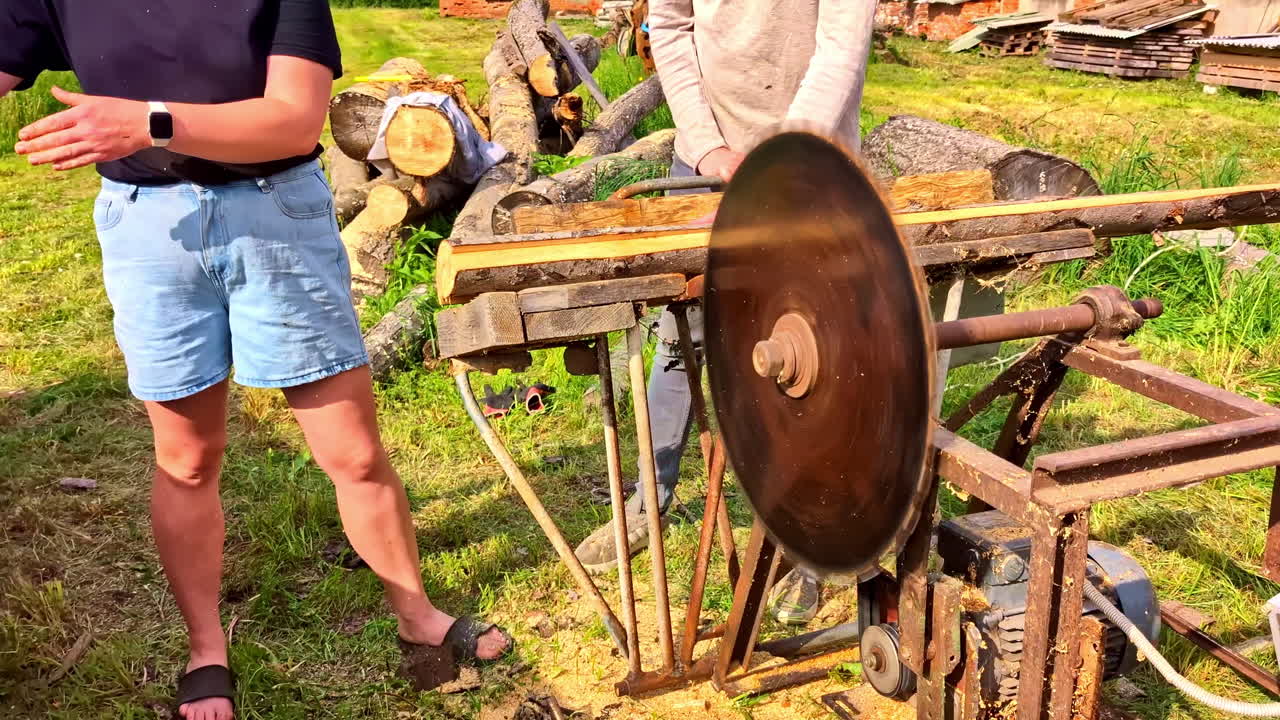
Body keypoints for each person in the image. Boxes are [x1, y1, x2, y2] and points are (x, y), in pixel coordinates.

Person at [0, 2, 511, 718]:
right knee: (185, 459)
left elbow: (293, 120)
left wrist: (149, 121)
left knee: (353, 451)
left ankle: (417, 615)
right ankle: (206, 648)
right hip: (149, 227)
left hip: (275, 217)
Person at [573, 0, 879, 626]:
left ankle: (810, 540)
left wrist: (784, 156)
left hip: (811, 155)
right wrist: (708, 145)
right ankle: (649, 502)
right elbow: (671, 25)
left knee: (811, 348)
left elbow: (843, 42)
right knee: (680, 337)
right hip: (706, 159)